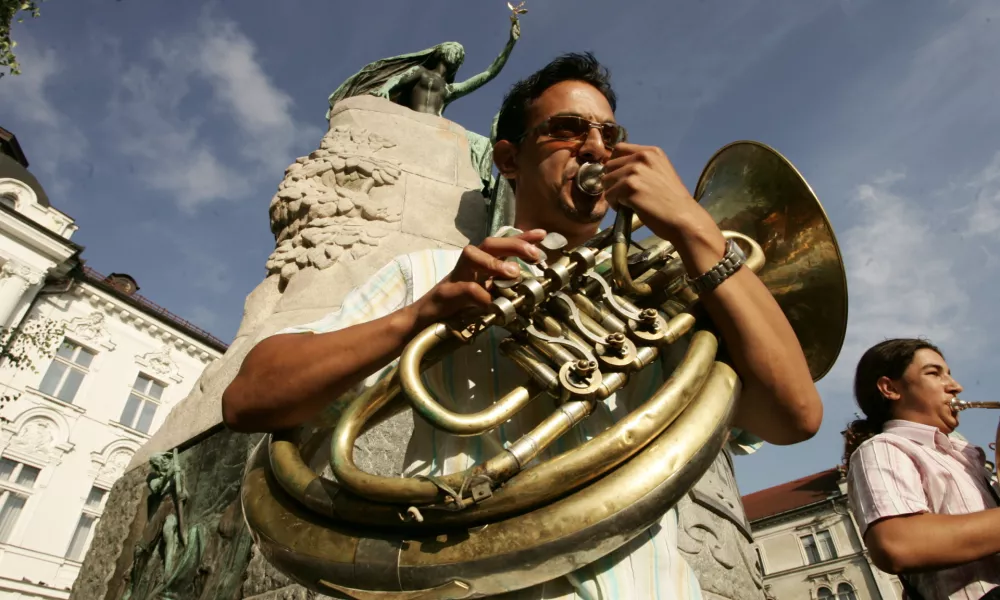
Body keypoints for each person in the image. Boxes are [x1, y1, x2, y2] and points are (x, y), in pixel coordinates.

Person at [223, 52, 821, 598]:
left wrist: (694, 227)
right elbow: (248, 398)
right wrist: (421, 315)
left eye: (610, 134)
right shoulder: (431, 275)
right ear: (509, 159)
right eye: (568, 129)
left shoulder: (665, 291)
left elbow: (794, 416)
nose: (596, 148)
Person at [844, 338, 1000, 600]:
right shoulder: (884, 448)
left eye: (948, 373)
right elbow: (898, 543)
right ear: (890, 388)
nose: (956, 386)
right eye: (934, 373)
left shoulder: (968, 456)